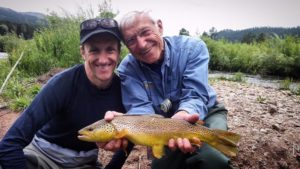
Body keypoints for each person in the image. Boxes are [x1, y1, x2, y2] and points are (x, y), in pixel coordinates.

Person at [104, 10, 231, 169]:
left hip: (206, 111)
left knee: (212, 159)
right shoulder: (127, 69)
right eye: (131, 40)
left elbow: (196, 95)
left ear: (160, 26)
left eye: (145, 32)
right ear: (126, 46)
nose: (142, 44)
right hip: (160, 126)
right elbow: (141, 109)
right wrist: (131, 121)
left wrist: (184, 115)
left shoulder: (193, 48)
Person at [0, 18, 129, 169]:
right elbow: (10, 144)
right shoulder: (62, 84)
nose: (103, 59)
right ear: (83, 52)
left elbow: (132, 137)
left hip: (85, 163)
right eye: (94, 50)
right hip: (42, 156)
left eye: (110, 50)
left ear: (119, 52)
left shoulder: (124, 90)